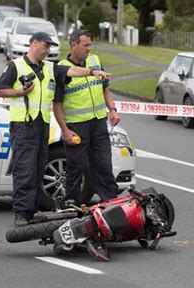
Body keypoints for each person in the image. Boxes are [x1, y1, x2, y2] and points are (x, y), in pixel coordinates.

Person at [0, 32, 110, 227]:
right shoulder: (16, 66)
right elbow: (0, 90)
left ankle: (32, 210)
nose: (48, 50)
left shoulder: (49, 67)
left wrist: (92, 72)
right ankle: (22, 213)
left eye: (50, 47)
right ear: (34, 43)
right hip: (23, 125)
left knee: (39, 168)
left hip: (42, 125)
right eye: (45, 46)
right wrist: (20, 92)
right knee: (25, 169)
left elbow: (71, 72)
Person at [53, 29, 120, 208]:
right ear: (73, 44)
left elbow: (105, 87)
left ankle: (110, 201)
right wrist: (65, 130)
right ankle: (71, 203)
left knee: (103, 164)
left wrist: (112, 109)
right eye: (86, 45)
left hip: (98, 122)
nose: (89, 49)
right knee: (76, 165)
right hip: (77, 125)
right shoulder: (62, 69)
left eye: (90, 45)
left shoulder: (95, 61)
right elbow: (57, 104)